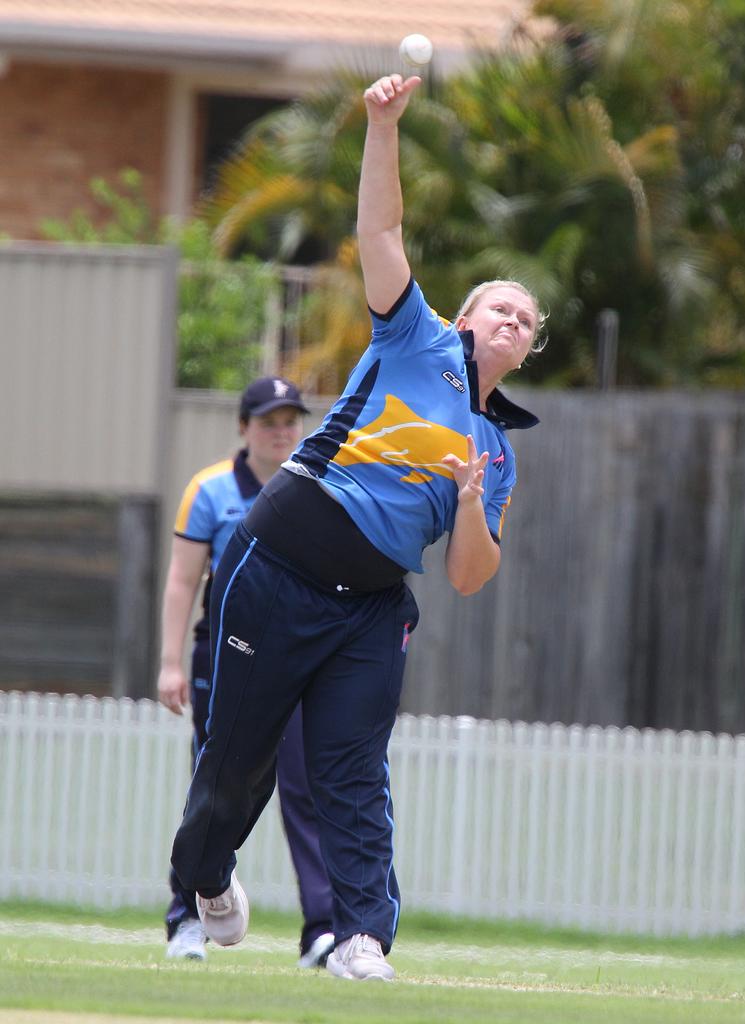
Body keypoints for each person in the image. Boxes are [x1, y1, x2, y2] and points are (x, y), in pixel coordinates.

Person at [170, 72, 544, 981]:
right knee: (236, 763)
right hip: (279, 557)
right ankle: (206, 879)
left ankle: (363, 935)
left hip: (370, 605)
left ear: (530, 350)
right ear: (464, 317)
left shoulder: (497, 451)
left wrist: (465, 507)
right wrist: (384, 126)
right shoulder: (414, 337)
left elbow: (465, 576)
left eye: (529, 321)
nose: (514, 321)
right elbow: (379, 231)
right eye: (502, 305)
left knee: (351, 772)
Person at [159, 376, 334, 968]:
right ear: (243, 427)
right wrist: (168, 663)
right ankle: (188, 916)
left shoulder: (321, 485)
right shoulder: (209, 489)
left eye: (291, 420)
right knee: (215, 784)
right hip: (228, 655)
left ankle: (322, 930)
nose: (282, 430)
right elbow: (183, 580)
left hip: (303, 655)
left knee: (308, 785)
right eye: (268, 420)